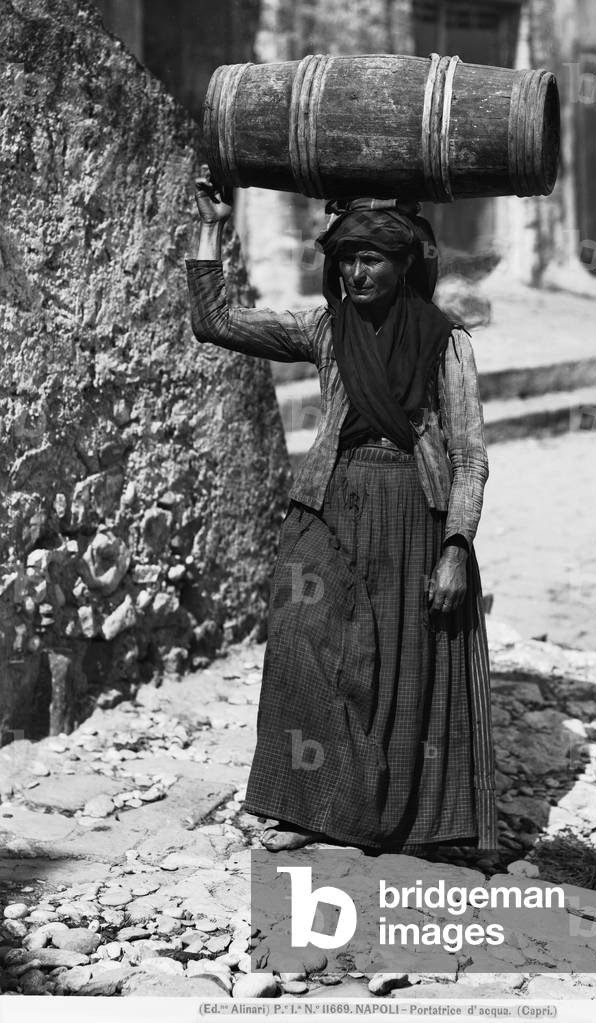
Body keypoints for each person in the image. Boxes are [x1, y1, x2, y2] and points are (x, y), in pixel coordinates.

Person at [186, 170, 496, 856]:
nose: (356, 272)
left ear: (403, 263)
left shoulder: (445, 342)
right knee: (304, 646)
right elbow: (215, 322)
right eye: (346, 258)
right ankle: (302, 804)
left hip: (412, 511)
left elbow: (469, 456)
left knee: (401, 664)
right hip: (329, 504)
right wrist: (212, 224)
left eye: (372, 258)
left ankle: (408, 819)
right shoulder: (325, 331)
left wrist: (455, 546)